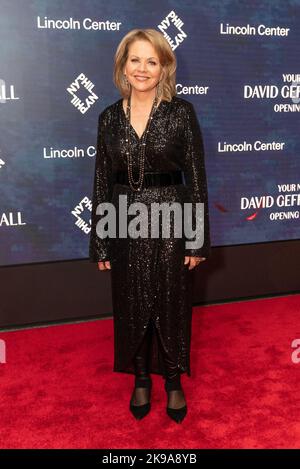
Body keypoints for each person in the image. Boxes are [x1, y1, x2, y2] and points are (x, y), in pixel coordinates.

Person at [89, 28, 211, 424]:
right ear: (123, 66)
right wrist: (102, 242)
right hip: (123, 220)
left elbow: (195, 178)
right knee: (129, 301)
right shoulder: (109, 117)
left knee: (172, 300)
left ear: (164, 68)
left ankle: (173, 379)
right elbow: (102, 181)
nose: (142, 68)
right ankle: (141, 377)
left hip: (172, 219)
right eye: (135, 59)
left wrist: (195, 240)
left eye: (151, 61)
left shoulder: (181, 113)